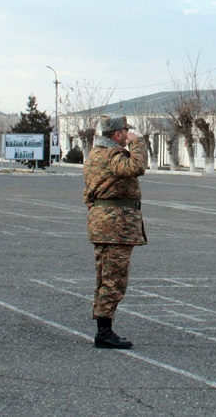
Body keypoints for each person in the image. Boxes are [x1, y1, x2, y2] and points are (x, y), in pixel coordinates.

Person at [83, 115, 148, 349]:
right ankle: (104, 332)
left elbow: (88, 193)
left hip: (104, 224)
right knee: (114, 279)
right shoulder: (112, 155)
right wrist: (137, 144)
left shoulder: (95, 156)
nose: (128, 134)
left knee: (105, 277)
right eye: (125, 132)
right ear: (117, 134)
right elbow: (136, 166)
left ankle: (104, 327)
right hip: (116, 227)